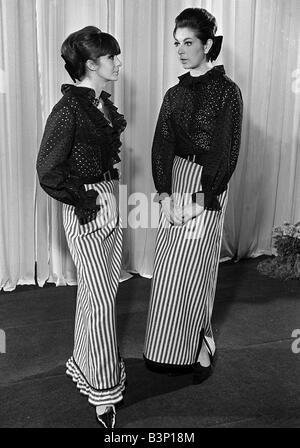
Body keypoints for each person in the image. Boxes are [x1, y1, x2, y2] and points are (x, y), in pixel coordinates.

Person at [144, 8, 243, 384]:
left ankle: (199, 344)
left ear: (207, 45)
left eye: (188, 43)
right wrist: (165, 194)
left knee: (195, 270)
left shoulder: (227, 92)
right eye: (177, 44)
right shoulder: (174, 94)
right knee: (169, 269)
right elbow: (161, 145)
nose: (182, 51)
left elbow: (227, 150)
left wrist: (202, 198)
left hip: (209, 185)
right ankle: (165, 349)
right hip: (178, 181)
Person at [36, 26, 126, 428]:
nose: (119, 63)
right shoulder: (69, 109)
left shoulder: (99, 104)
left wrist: (108, 196)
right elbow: (48, 172)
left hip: (110, 197)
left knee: (98, 293)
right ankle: (104, 392)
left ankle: (84, 365)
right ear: (91, 64)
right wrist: (88, 201)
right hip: (86, 206)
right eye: (112, 57)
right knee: (103, 297)